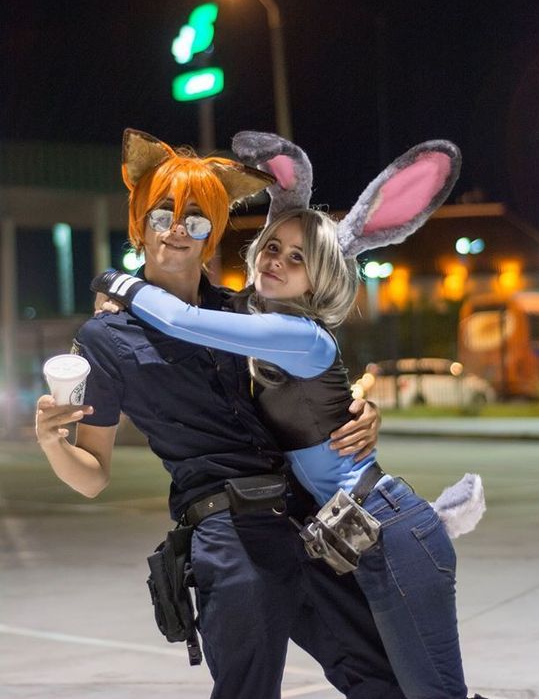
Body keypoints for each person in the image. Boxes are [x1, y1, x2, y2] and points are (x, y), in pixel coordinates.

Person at [93, 132, 488, 699]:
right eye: (273, 247)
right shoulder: (255, 325)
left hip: (388, 529)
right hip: (348, 535)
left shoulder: (295, 335)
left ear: (322, 275)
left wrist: (116, 283)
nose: (277, 260)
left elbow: (180, 320)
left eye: (299, 257)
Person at [35, 128, 409, 699]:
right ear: (139, 225)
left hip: (309, 524)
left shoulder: (244, 311)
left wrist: (364, 409)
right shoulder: (105, 337)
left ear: (214, 234)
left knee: (386, 678)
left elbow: (313, 378)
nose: (178, 229)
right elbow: (93, 476)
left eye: (197, 218)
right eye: (162, 215)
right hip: (228, 533)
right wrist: (54, 443)